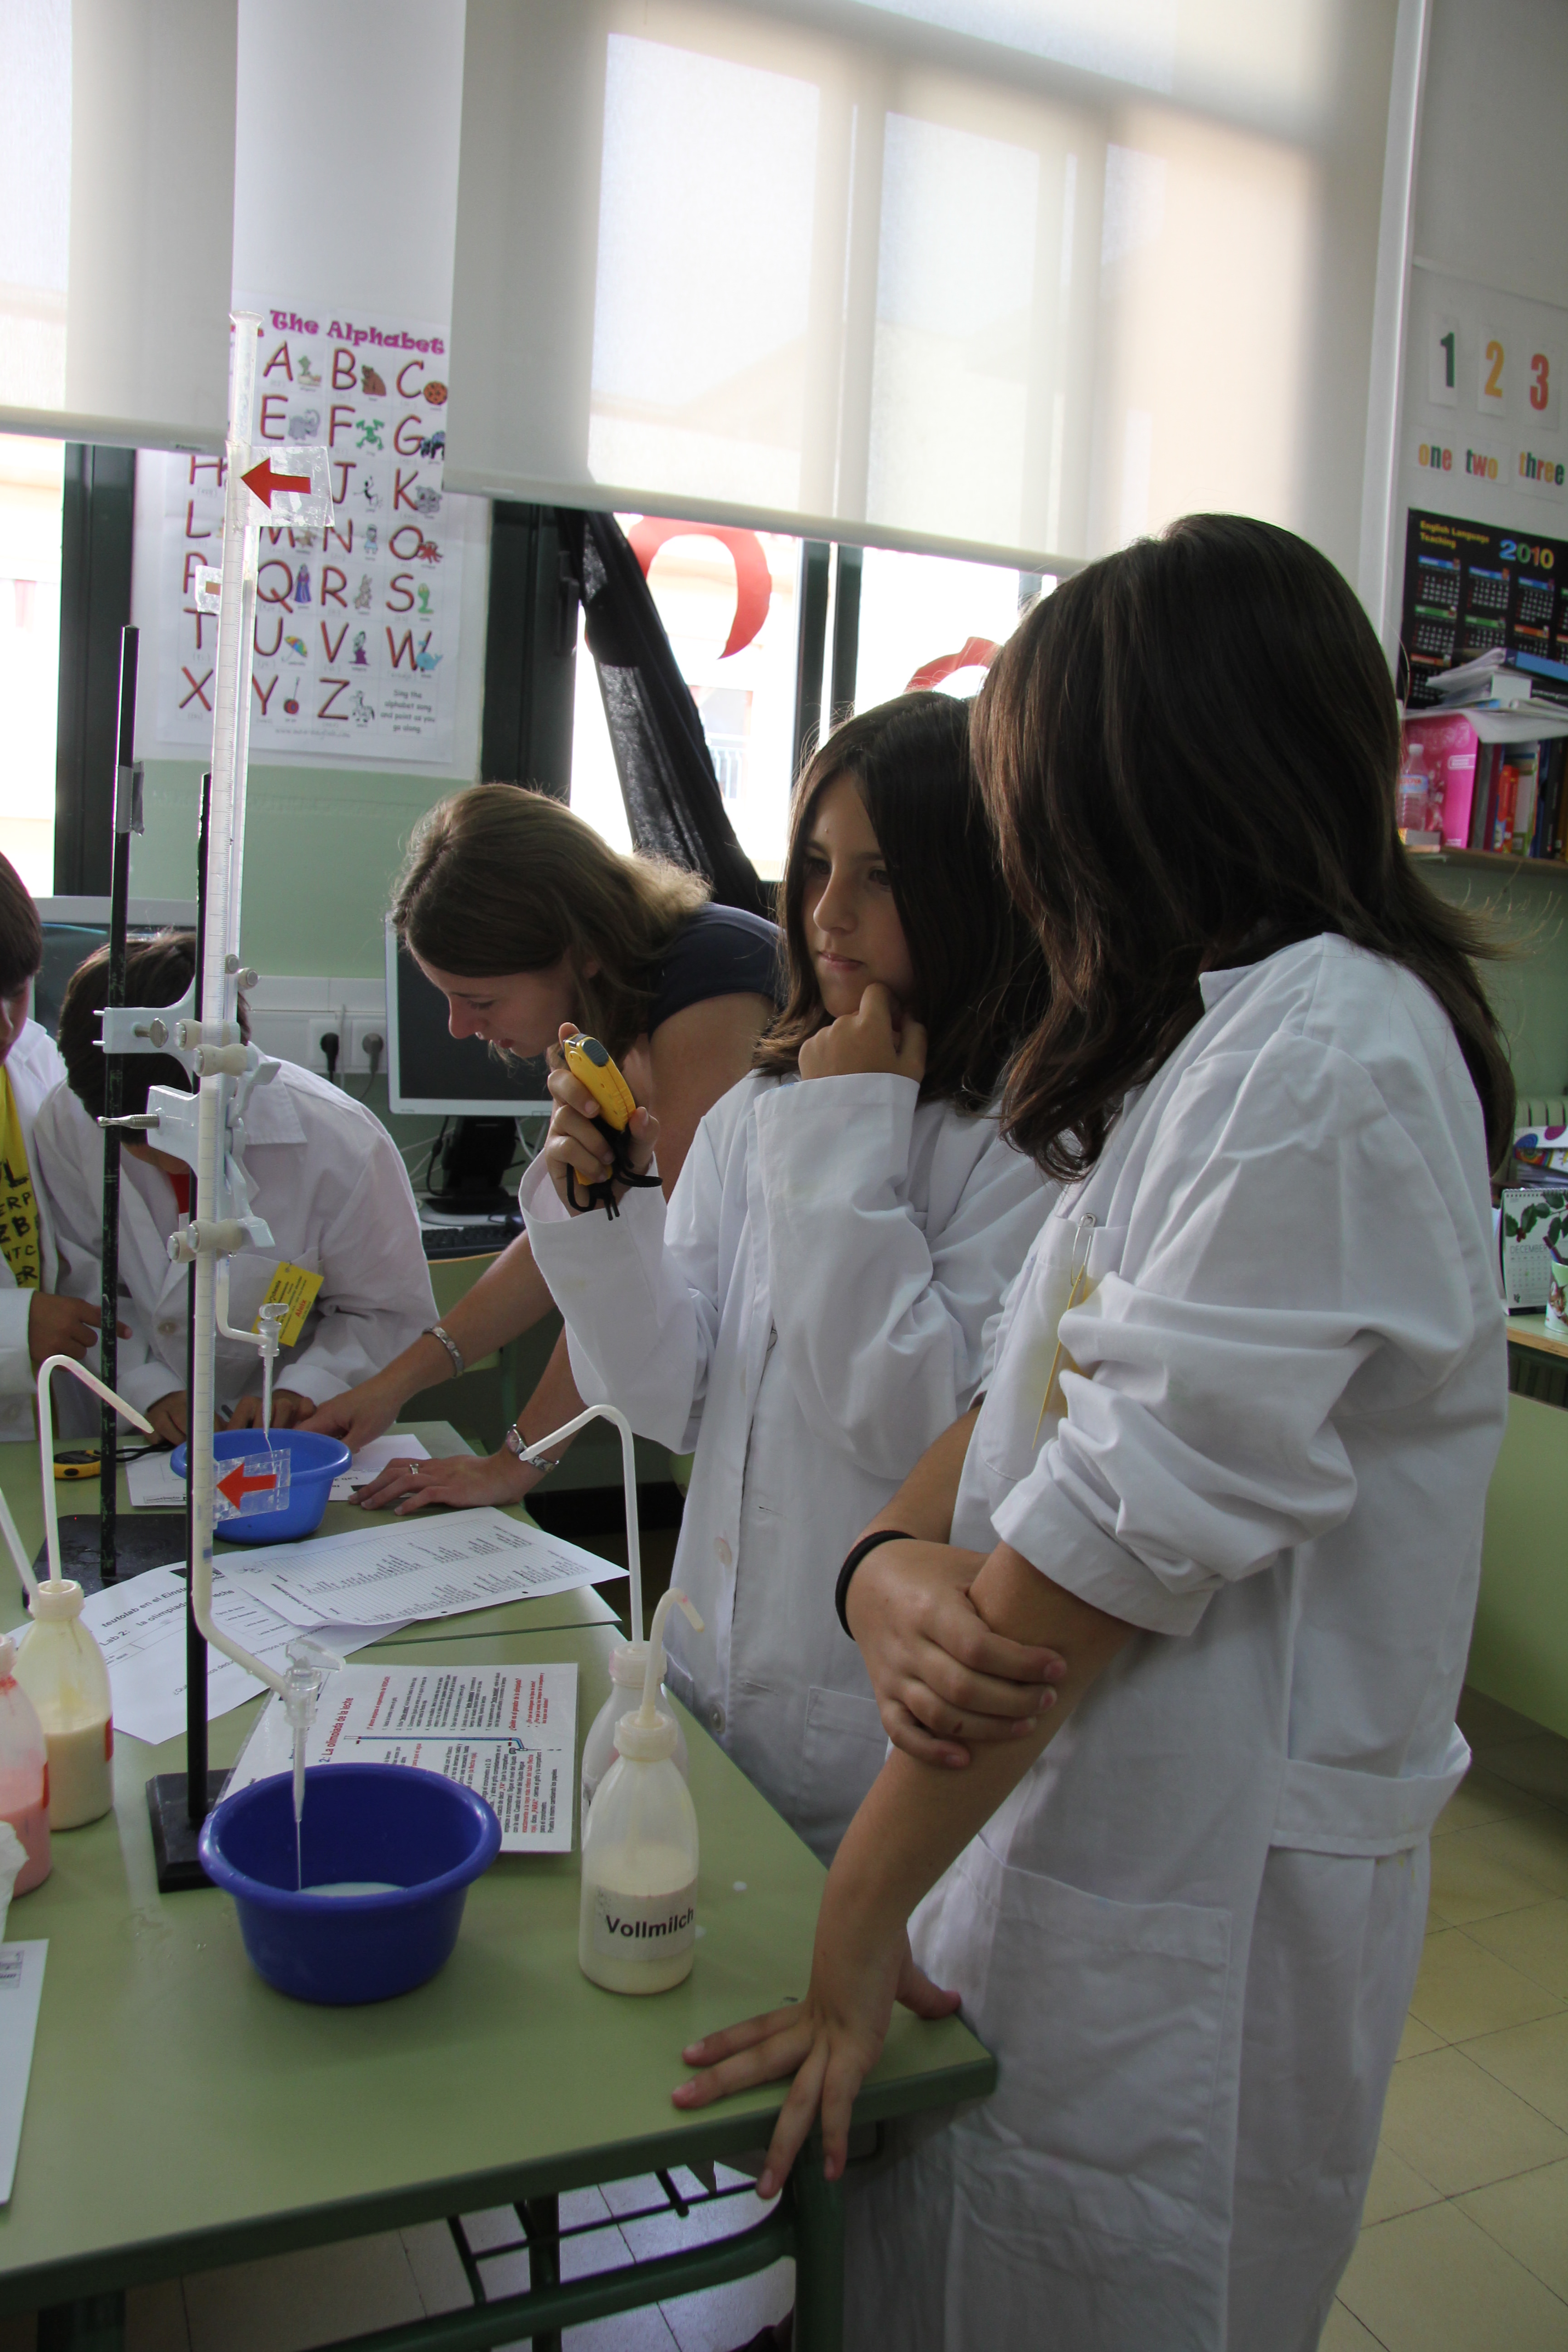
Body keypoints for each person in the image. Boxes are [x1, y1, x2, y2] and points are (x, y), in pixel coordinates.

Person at [672, 518, 1513, 2352]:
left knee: (1095, 2294)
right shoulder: (1214, 1050)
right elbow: (1028, 1396)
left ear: (1145, 788)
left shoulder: (1329, 1055)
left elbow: (1111, 1535)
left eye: (1030, 799)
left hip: (1196, 1885)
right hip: (1062, 1827)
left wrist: (850, 1928)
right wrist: (885, 1557)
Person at [522, 694, 1053, 1861]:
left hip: (864, 1726)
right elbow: (667, 1398)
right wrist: (608, 1213)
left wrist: (850, 1123)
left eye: (880, 875)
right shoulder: (763, 1105)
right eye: (815, 864)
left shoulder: (1024, 1140)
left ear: (977, 885)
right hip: (710, 1672)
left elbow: (908, 1421)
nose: (828, 913)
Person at [307, 784, 780, 1513]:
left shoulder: (711, 989)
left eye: (481, 1001)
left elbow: (629, 1265)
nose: (459, 1027)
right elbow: (569, 1242)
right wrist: (389, 1388)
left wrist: (513, 1464)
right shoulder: (611, 1009)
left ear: (581, 951)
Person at [34, 932, 438, 1441]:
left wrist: (305, 1391)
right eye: (132, 1138)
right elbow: (86, 1281)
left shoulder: (342, 1144)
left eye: (176, 1132)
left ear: (232, 1069)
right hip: (137, 1426)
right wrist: (150, 1389)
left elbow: (384, 1313)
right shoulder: (69, 1118)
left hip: (291, 1433)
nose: (158, 1156)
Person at [0, 854, 128, 1442]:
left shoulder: (38, 1061)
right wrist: (12, 1328)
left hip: (45, 1425)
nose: (6, 1027)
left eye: (17, 993)